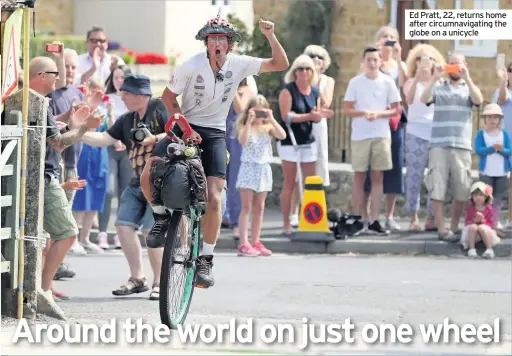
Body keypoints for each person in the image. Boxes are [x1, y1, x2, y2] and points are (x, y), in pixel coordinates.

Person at [141, 14, 289, 288]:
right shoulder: (191, 65)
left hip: (215, 131)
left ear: (230, 44)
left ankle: (206, 259)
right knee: (149, 171)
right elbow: (168, 97)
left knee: (214, 196)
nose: (216, 44)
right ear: (206, 43)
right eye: (212, 39)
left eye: (222, 39)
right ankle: (161, 216)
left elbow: (280, 64)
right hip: (186, 124)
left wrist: (270, 35)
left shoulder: (239, 64)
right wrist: (184, 127)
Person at [80, 74, 169, 300]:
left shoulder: (159, 108)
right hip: (137, 183)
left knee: (152, 232)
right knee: (122, 225)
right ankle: (138, 278)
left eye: (126, 93)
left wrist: (154, 139)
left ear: (141, 95)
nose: (123, 97)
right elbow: (103, 139)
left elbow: (176, 132)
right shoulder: (126, 120)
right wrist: (75, 132)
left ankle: (160, 282)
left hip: (161, 184)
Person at [29, 56, 104, 299]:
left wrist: (71, 121)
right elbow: (57, 143)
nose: (59, 78)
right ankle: (42, 289)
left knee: (46, 237)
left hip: (43, 175)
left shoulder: (38, 100)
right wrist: (83, 127)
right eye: (54, 73)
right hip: (44, 176)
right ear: (41, 76)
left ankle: (43, 287)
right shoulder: (37, 101)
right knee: (68, 233)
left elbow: (51, 130)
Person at [420, 52, 483, 241]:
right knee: (437, 187)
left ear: (465, 65)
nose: (454, 69)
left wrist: (468, 78)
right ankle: (442, 229)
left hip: (461, 145)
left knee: (462, 188)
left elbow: (479, 100)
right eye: (451, 65)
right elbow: (423, 99)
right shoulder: (439, 87)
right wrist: (434, 78)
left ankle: (454, 227)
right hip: (439, 144)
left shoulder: (468, 87)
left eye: (458, 65)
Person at [343, 45, 401, 235]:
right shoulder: (355, 83)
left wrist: (379, 114)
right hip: (360, 135)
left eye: (375, 60)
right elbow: (347, 109)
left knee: (378, 178)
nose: (372, 63)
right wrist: (363, 113)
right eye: (369, 60)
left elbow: (396, 109)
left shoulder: (388, 82)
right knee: (359, 177)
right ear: (363, 62)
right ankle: (359, 218)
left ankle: (375, 219)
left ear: (380, 61)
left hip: (381, 135)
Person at [277, 54, 333, 235]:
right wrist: (310, 116)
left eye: (308, 68)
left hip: (307, 140)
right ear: (294, 73)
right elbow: (287, 116)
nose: (304, 72)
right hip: (290, 141)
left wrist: (318, 116)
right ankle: (286, 223)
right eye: (300, 69)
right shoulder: (288, 90)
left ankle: (308, 220)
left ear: (312, 73)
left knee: (311, 183)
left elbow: (315, 114)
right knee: (290, 183)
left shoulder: (315, 91)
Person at [363, 26, 407, 232]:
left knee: (394, 166)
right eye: (384, 38)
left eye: (392, 38)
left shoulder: (400, 66)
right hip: (373, 121)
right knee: (372, 168)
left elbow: (406, 89)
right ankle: (368, 215)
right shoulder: (372, 63)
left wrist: (399, 58)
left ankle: (389, 215)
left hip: (394, 122)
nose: (388, 41)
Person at [235, 94, 286, 256]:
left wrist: (271, 119)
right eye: (255, 112)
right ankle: (244, 242)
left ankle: (256, 240)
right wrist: (249, 122)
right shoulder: (244, 126)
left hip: (263, 168)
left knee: (260, 207)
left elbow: (282, 135)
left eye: (261, 112)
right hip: (249, 167)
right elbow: (242, 141)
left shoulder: (268, 127)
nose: (258, 116)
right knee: (247, 207)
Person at [402, 44, 445, 231]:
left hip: (436, 134)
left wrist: (435, 79)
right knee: (414, 176)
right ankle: (413, 217)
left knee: (435, 177)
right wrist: (417, 78)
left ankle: (431, 216)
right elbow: (409, 101)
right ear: (415, 62)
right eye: (420, 59)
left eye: (429, 59)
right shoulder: (411, 82)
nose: (425, 63)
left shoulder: (441, 84)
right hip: (415, 133)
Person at [72, 77, 111, 254]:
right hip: (84, 151)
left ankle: (85, 238)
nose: (97, 93)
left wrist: (110, 111)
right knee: (81, 194)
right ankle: (72, 239)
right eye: (93, 89)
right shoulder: (82, 106)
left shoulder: (104, 109)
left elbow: (110, 130)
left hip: (100, 154)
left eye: (100, 90)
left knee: (96, 193)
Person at [97, 64, 133, 249]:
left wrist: (126, 142)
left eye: (122, 77)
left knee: (125, 193)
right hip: (110, 149)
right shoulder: (107, 99)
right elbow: (108, 127)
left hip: (128, 151)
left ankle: (121, 233)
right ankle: (103, 231)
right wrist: (110, 112)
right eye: (116, 77)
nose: (119, 81)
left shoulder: (132, 100)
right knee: (108, 189)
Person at [474, 103, 511, 231]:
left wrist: (500, 150)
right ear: (485, 119)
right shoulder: (481, 134)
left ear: (499, 119)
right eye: (489, 117)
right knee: (485, 197)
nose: (492, 120)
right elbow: (479, 150)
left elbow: (509, 151)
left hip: (501, 172)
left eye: (495, 117)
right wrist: (492, 148)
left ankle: (495, 221)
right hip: (486, 172)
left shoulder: (504, 134)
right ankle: (485, 220)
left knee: (498, 198)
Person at [493, 61, 512, 230]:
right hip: (503, 144)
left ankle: (511, 220)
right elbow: (501, 99)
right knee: (499, 182)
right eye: (511, 70)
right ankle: (496, 219)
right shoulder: (501, 92)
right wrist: (503, 82)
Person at [460, 181, 500, 259]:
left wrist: (482, 221)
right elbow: (467, 221)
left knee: (482, 227)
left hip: (485, 230)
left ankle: (489, 249)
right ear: (472, 197)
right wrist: (475, 221)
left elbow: (490, 223)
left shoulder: (489, 208)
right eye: (475, 195)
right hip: (473, 231)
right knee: (473, 227)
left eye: (481, 195)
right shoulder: (470, 208)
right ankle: (471, 249)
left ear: (486, 197)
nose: (478, 197)